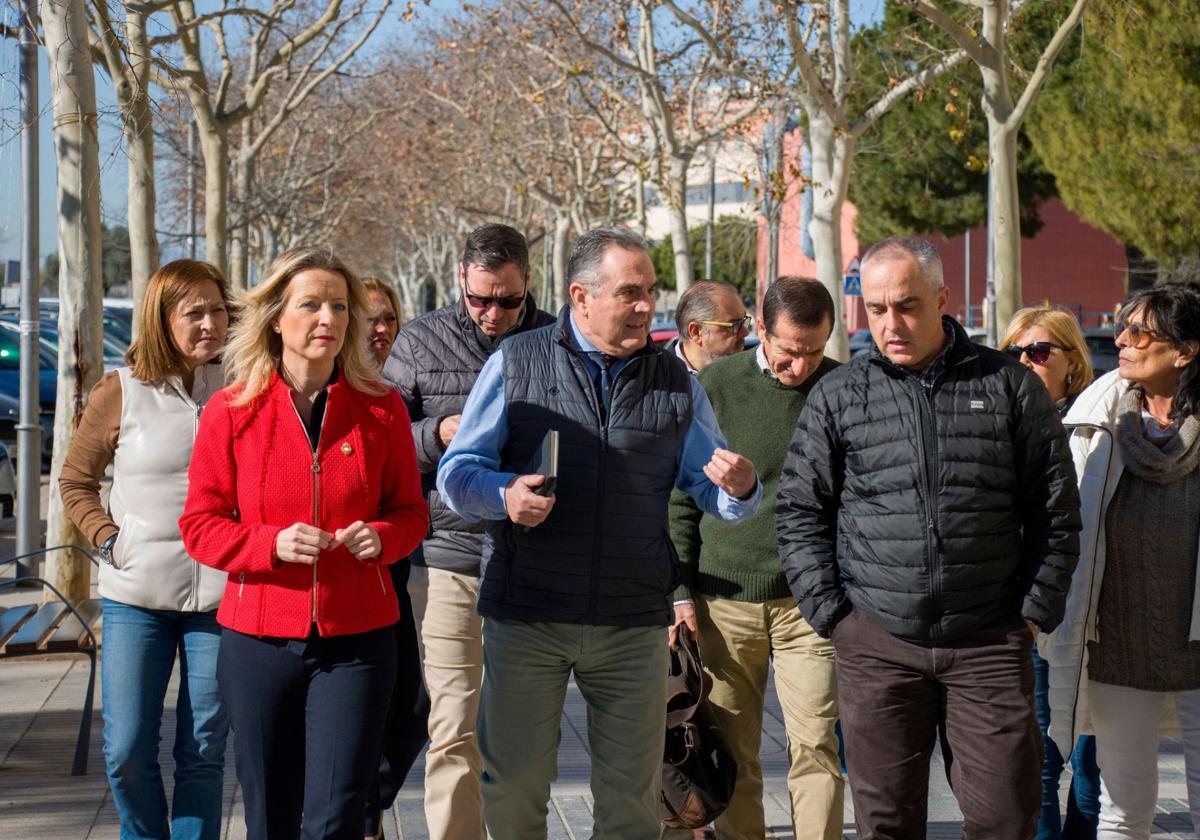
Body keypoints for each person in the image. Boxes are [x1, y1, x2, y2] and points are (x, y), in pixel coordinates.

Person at [437, 226, 761, 840]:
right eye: (630, 292)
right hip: (528, 613)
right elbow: (457, 474)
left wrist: (740, 487)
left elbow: (715, 491)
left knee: (633, 799)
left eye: (650, 292)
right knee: (513, 788)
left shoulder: (677, 383)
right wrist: (504, 496)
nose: (645, 306)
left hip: (633, 624)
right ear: (580, 297)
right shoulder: (517, 361)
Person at [776, 235, 1081, 839]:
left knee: (1004, 818)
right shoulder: (840, 393)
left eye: (908, 305)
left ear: (943, 298)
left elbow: (1055, 510)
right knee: (885, 821)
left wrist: (1031, 614)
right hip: (876, 642)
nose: (892, 322)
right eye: (878, 307)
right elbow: (799, 511)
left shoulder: (1009, 387)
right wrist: (836, 617)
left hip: (988, 641)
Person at [179, 245, 428, 839]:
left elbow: (412, 513)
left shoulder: (383, 408)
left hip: (359, 643)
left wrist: (384, 536)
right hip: (258, 640)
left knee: (337, 816)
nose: (329, 319)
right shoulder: (230, 411)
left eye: (340, 306)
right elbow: (200, 525)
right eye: (311, 304)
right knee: (270, 816)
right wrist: (271, 544)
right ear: (275, 318)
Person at [382, 223, 554, 839]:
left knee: (520, 729)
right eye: (480, 298)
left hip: (535, 562)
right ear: (461, 278)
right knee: (453, 723)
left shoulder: (557, 338)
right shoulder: (420, 342)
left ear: (527, 284)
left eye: (507, 300)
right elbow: (381, 444)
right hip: (450, 558)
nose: (492, 313)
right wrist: (437, 435)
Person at [59, 259, 232, 840]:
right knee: (128, 749)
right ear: (162, 319)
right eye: (195, 313)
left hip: (222, 599)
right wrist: (110, 540)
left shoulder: (242, 384)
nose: (211, 323)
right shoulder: (121, 390)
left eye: (218, 310)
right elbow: (75, 481)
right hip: (135, 596)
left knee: (203, 750)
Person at [669, 276, 843, 840]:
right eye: (790, 349)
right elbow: (679, 498)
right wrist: (678, 592)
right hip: (724, 602)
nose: (801, 364)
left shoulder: (845, 386)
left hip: (811, 603)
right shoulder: (716, 384)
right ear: (760, 330)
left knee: (816, 745)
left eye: (815, 350)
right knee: (735, 753)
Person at [1043, 285, 1200, 839]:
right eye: (1121, 326)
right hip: (1117, 641)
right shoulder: (1097, 414)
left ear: (1184, 351)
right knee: (1122, 810)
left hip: (1199, 647)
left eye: (1139, 332)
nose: (1122, 341)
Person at [1002, 306, 1100, 840]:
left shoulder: (1097, 424)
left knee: (1090, 763)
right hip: (1031, 615)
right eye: (1013, 351)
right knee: (1038, 763)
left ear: (1071, 362)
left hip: (1094, 614)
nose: (1024, 360)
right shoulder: (995, 421)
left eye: (1038, 351)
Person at [359, 275, 428, 840]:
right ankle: (358, 817)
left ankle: (368, 805)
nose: (380, 330)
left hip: (403, 562)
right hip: (344, 573)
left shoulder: (402, 385)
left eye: (389, 319)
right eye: (370, 318)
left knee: (412, 710)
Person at [669, 280, 750, 373]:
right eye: (733, 325)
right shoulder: (657, 379)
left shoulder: (747, 376)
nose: (745, 332)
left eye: (744, 321)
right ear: (696, 332)